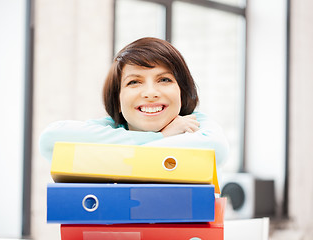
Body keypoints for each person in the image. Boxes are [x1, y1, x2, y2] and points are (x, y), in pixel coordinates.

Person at [39, 37, 229, 166]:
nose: (150, 93)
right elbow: (50, 139)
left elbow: (216, 151)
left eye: (164, 79)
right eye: (134, 82)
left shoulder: (195, 123)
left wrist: (115, 155)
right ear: (118, 99)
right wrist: (160, 137)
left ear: (182, 90)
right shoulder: (111, 127)